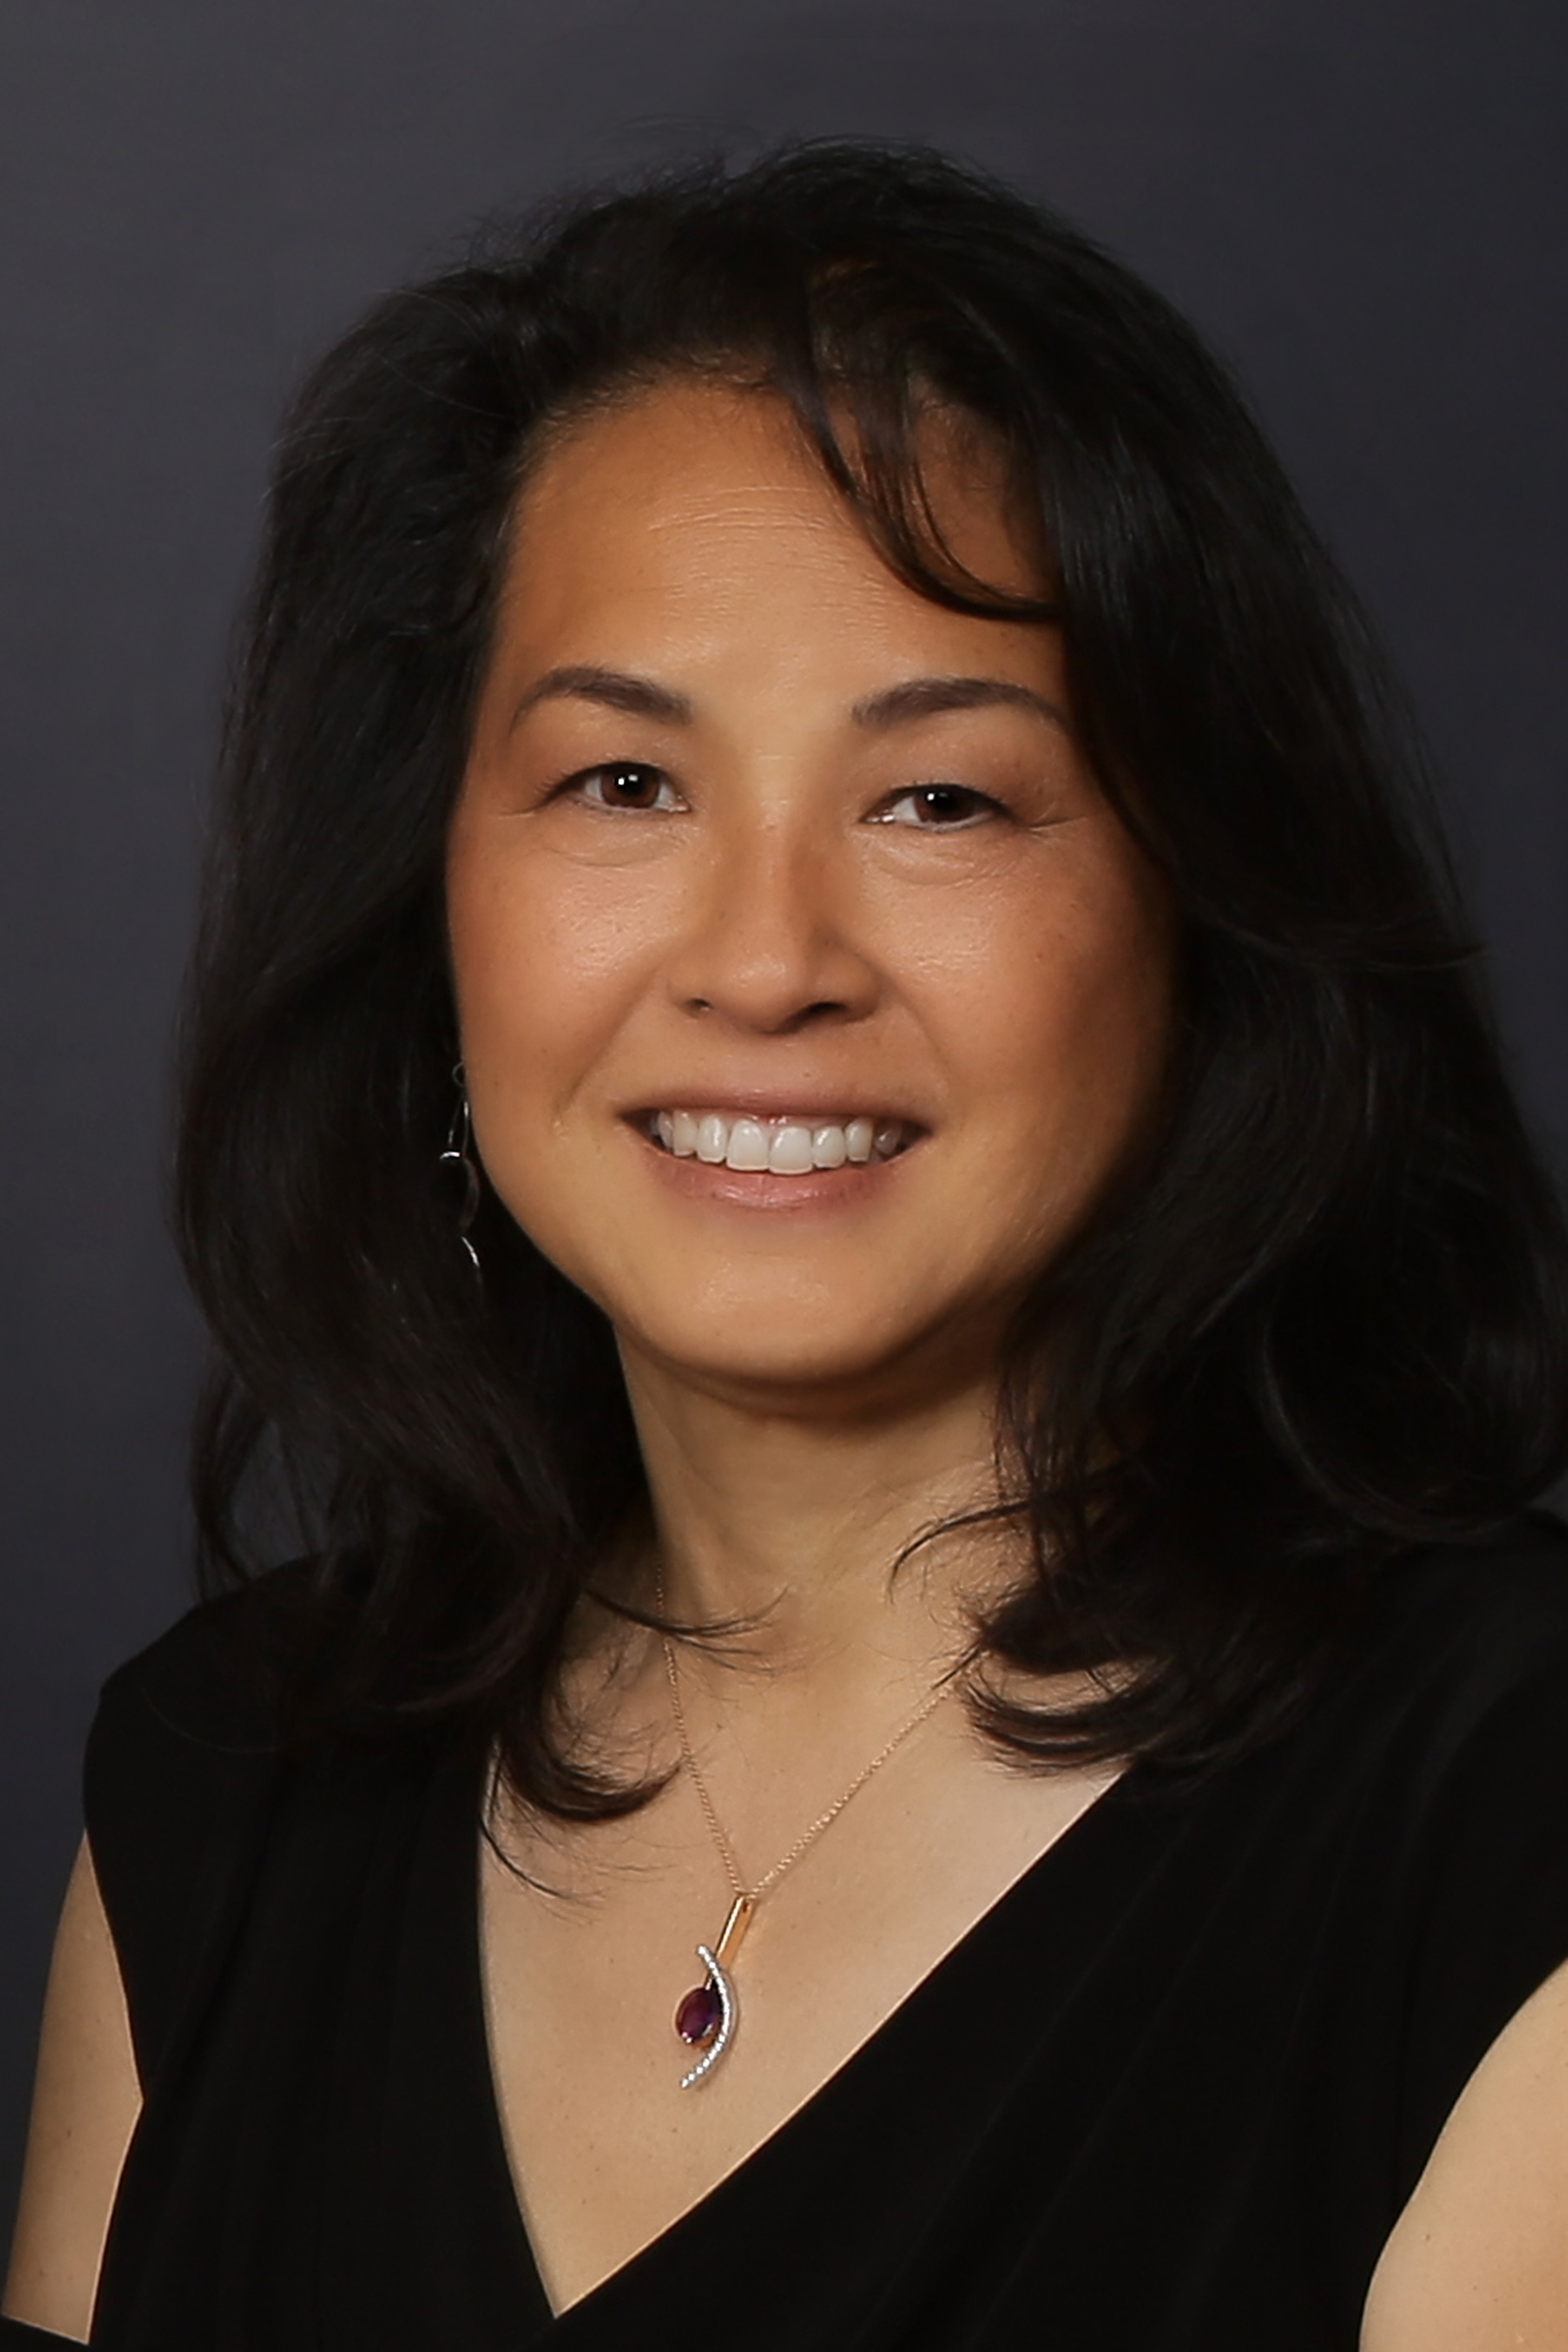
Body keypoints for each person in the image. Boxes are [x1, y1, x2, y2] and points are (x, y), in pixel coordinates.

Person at [5, 140, 1568, 2351]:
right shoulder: (222, 1797)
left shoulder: (1500, 1826)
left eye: (940, 798)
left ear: (1201, 912)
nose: (766, 963)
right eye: (622, 785)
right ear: (430, 906)